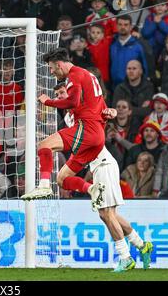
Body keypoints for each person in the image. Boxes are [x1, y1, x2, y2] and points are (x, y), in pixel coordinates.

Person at [52, 82, 154, 272]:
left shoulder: (84, 107)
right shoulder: (68, 118)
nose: (59, 97)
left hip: (104, 164)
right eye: (57, 95)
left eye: (62, 93)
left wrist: (111, 112)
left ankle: (125, 257)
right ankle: (141, 245)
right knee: (108, 214)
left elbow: (102, 111)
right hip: (97, 165)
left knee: (106, 213)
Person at [20, 48, 106, 208]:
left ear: (59, 64)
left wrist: (48, 102)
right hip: (98, 135)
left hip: (87, 129)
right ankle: (93, 189)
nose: (51, 72)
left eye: (52, 68)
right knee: (62, 179)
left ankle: (44, 186)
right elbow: (102, 106)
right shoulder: (90, 75)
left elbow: (72, 102)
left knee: (44, 145)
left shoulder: (74, 75)